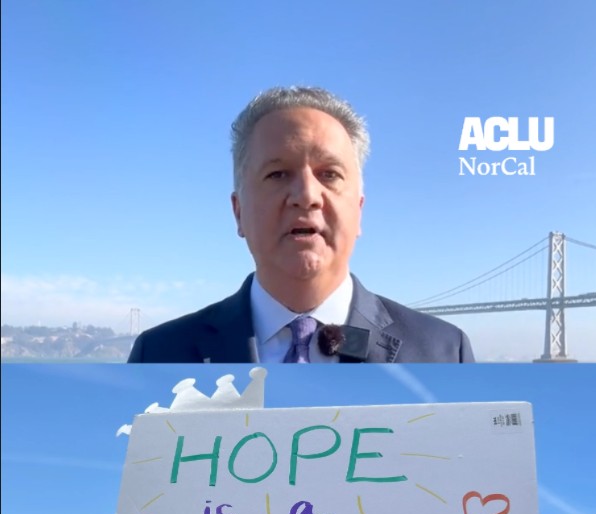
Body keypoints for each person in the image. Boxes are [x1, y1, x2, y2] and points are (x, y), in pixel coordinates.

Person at [127, 86, 474, 364]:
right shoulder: (158, 356)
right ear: (238, 212)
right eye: (277, 174)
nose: (307, 195)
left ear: (359, 210)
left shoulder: (443, 354)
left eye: (330, 174)